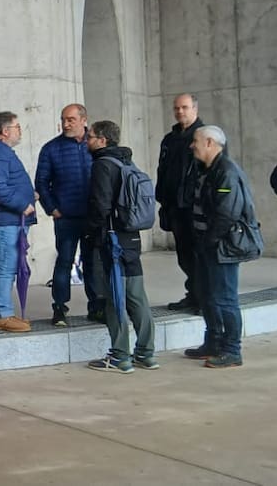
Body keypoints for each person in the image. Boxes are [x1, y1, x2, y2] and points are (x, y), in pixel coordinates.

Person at [84, 121, 157, 374]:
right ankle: (146, 353)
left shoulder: (103, 165)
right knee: (137, 297)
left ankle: (119, 356)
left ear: (103, 140)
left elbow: (101, 206)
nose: (87, 140)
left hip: (112, 240)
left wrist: (90, 232)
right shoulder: (127, 161)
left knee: (114, 298)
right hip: (131, 238)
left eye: (90, 137)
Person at [186, 125, 253, 369]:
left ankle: (232, 350)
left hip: (221, 246)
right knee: (206, 295)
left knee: (225, 299)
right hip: (207, 244)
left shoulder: (226, 171)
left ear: (210, 143)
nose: (192, 145)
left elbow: (227, 213)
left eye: (196, 141)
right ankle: (213, 342)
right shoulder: (206, 169)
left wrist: (210, 240)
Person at [35, 103, 99, 327]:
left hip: (93, 217)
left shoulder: (96, 146)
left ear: (84, 120)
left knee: (93, 263)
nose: (66, 123)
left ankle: (96, 306)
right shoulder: (51, 148)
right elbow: (42, 182)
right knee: (64, 261)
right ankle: (60, 308)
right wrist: (52, 208)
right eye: (64, 119)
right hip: (66, 217)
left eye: (71, 119)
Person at [0, 111, 36, 333]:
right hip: (4, 221)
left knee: (3, 265)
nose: (20, 131)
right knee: (4, 266)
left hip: (6, 220)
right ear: (5, 131)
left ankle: (1, 312)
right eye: (17, 127)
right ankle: (2, 314)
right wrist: (22, 203)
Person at [156, 93, 205, 312]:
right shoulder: (170, 139)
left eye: (184, 107)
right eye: (177, 108)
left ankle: (203, 298)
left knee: (199, 255)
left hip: (194, 207)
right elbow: (163, 170)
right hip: (174, 206)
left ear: (195, 108)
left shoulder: (205, 136)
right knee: (184, 255)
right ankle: (193, 294)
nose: (180, 112)